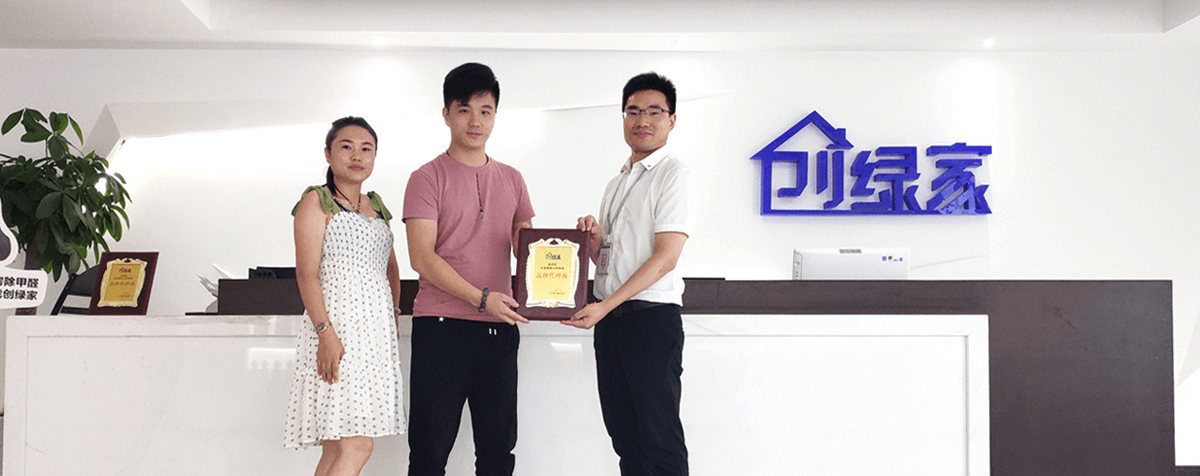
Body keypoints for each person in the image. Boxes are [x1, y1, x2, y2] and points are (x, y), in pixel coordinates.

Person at [402, 62, 535, 476]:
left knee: (498, 454)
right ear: (446, 114)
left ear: (495, 115)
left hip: (499, 329)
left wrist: (578, 242)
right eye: (464, 110)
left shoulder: (513, 179)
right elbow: (421, 257)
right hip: (441, 327)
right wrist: (481, 299)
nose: (475, 121)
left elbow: (529, 251)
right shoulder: (425, 178)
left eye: (485, 110)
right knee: (429, 452)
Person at [565, 72, 699, 476]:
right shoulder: (616, 183)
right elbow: (609, 262)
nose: (642, 120)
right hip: (612, 324)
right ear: (623, 117)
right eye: (633, 111)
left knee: (659, 441)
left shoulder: (674, 174)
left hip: (650, 321)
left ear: (671, 120)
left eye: (654, 112)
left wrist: (605, 305)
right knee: (625, 438)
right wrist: (594, 242)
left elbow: (666, 258)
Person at [284, 116, 405, 476]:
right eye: (347, 147)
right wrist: (325, 334)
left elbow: (391, 269)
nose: (357, 156)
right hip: (336, 330)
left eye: (366, 149)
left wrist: (393, 314)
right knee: (358, 445)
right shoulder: (316, 201)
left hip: (373, 337)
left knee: (338, 448)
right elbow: (306, 274)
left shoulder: (377, 206)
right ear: (328, 153)